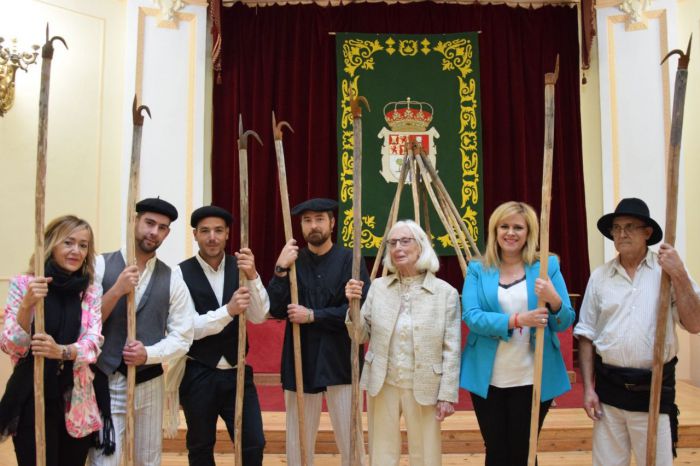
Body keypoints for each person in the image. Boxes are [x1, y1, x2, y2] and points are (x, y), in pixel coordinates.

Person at [574, 197, 700, 466]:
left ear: (648, 233)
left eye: (630, 226)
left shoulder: (668, 272)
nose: (621, 233)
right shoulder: (600, 277)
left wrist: (678, 274)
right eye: (616, 228)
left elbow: (695, 323)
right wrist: (588, 389)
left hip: (653, 390)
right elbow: (586, 335)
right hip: (609, 393)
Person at [460, 201, 575, 466]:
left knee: (524, 450)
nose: (510, 233)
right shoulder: (478, 268)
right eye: (504, 226)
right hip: (488, 376)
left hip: (532, 376)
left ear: (529, 232)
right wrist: (517, 320)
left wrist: (554, 300)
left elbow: (564, 321)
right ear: (495, 230)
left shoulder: (547, 266)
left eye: (518, 227)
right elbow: (472, 317)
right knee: (496, 450)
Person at [345, 219, 461, 466]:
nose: (398, 247)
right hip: (383, 381)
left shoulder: (445, 293)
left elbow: (451, 349)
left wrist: (447, 394)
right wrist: (352, 306)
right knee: (381, 453)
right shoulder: (378, 287)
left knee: (426, 455)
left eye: (405, 241)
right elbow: (359, 335)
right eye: (392, 243)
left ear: (421, 247)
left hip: (425, 384)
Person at [88, 198, 194, 466]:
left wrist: (148, 353)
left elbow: (183, 336)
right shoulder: (100, 265)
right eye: (149, 223)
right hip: (106, 378)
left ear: (167, 233)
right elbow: (85, 324)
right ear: (134, 222)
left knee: (148, 459)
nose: (154, 232)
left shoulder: (173, 279)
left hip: (149, 381)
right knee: (105, 458)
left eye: (162, 227)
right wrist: (117, 290)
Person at [267, 197, 369, 466]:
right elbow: (275, 309)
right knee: (297, 442)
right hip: (301, 361)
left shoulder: (351, 260)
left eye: (320, 219)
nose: (314, 226)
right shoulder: (293, 261)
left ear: (332, 223)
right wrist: (279, 269)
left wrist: (313, 315)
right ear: (300, 226)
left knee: (352, 441)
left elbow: (359, 312)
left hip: (342, 361)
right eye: (307, 220)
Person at [0, 215, 103, 466]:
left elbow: (93, 342)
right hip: (31, 396)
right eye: (68, 242)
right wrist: (27, 305)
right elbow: (10, 345)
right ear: (50, 245)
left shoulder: (89, 290)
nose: (76, 251)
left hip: (75, 400)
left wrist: (62, 351)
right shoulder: (25, 284)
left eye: (83, 245)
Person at [174, 205, 268, 465]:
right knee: (200, 445)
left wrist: (253, 275)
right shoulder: (180, 273)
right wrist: (228, 311)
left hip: (238, 372)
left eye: (218, 230)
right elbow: (187, 328)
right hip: (198, 373)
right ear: (195, 235)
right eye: (205, 231)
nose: (212, 237)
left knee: (253, 443)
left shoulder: (242, 267)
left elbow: (259, 316)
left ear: (228, 234)